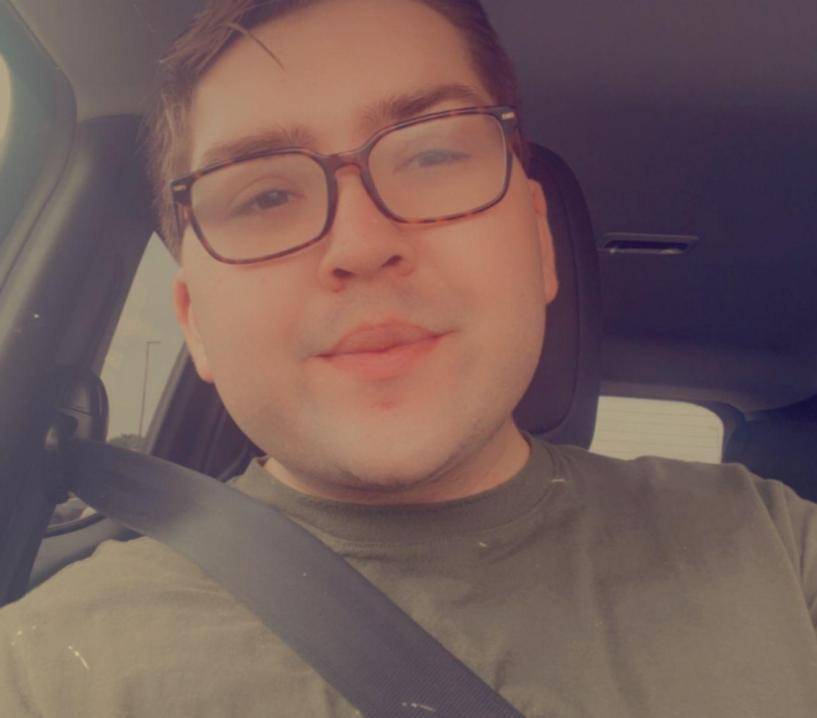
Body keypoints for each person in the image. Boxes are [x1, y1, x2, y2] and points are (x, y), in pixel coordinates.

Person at [2, 1, 816, 716]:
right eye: (265, 195)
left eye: (429, 156)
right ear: (196, 323)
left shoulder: (779, 549)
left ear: (537, 242)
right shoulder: (39, 672)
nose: (360, 244)